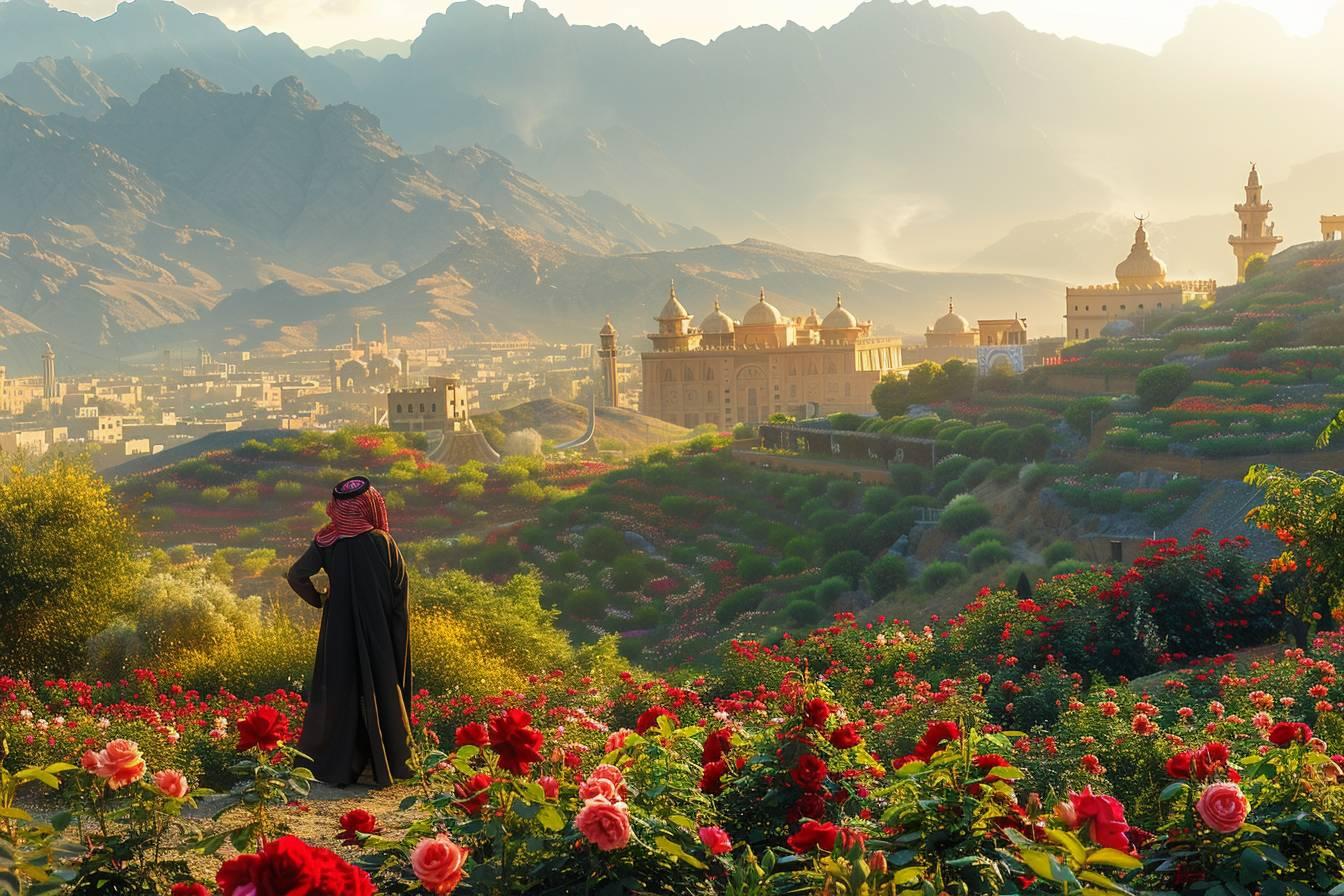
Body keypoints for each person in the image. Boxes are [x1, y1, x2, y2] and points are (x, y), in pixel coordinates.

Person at [286, 476, 413, 787]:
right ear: (370, 505)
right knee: (382, 688)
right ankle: (386, 766)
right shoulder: (383, 541)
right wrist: (396, 630)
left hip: (338, 632)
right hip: (379, 631)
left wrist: (320, 599)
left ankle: (339, 766)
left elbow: (296, 575)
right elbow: (400, 589)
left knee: (341, 693)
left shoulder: (326, 542)